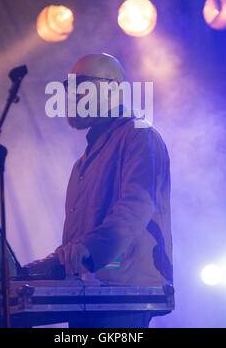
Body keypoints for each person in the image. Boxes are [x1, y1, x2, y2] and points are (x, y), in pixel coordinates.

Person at [25, 53, 173, 328]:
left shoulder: (140, 136)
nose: (70, 94)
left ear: (114, 88)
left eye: (81, 86)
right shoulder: (82, 162)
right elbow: (81, 237)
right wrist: (51, 263)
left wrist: (86, 250)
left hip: (122, 294)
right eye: (68, 87)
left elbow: (135, 208)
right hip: (91, 293)